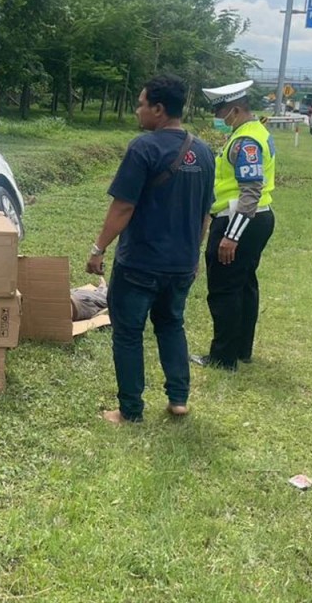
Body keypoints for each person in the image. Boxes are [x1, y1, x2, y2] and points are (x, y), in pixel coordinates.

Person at [86, 75, 215, 424]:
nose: (137, 109)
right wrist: (193, 253)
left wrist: (98, 248)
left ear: (158, 110)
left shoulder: (143, 148)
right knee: (171, 324)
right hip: (181, 264)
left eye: (142, 103)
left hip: (140, 263)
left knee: (128, 333)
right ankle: (178, 399)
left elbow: (122, 208)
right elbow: (206, 211)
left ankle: (130, 410)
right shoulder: (203, 151)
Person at [193, 80, 276, 371]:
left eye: (220, 112)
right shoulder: (251, 132)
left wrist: (231, 235)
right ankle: (241, 349)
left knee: (224, 290)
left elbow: (250, 192)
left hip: (239, 220)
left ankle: (223, 358)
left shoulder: (246, 142)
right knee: (244, 285)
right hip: (255, 219)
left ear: (235, 110)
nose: (218, 118)